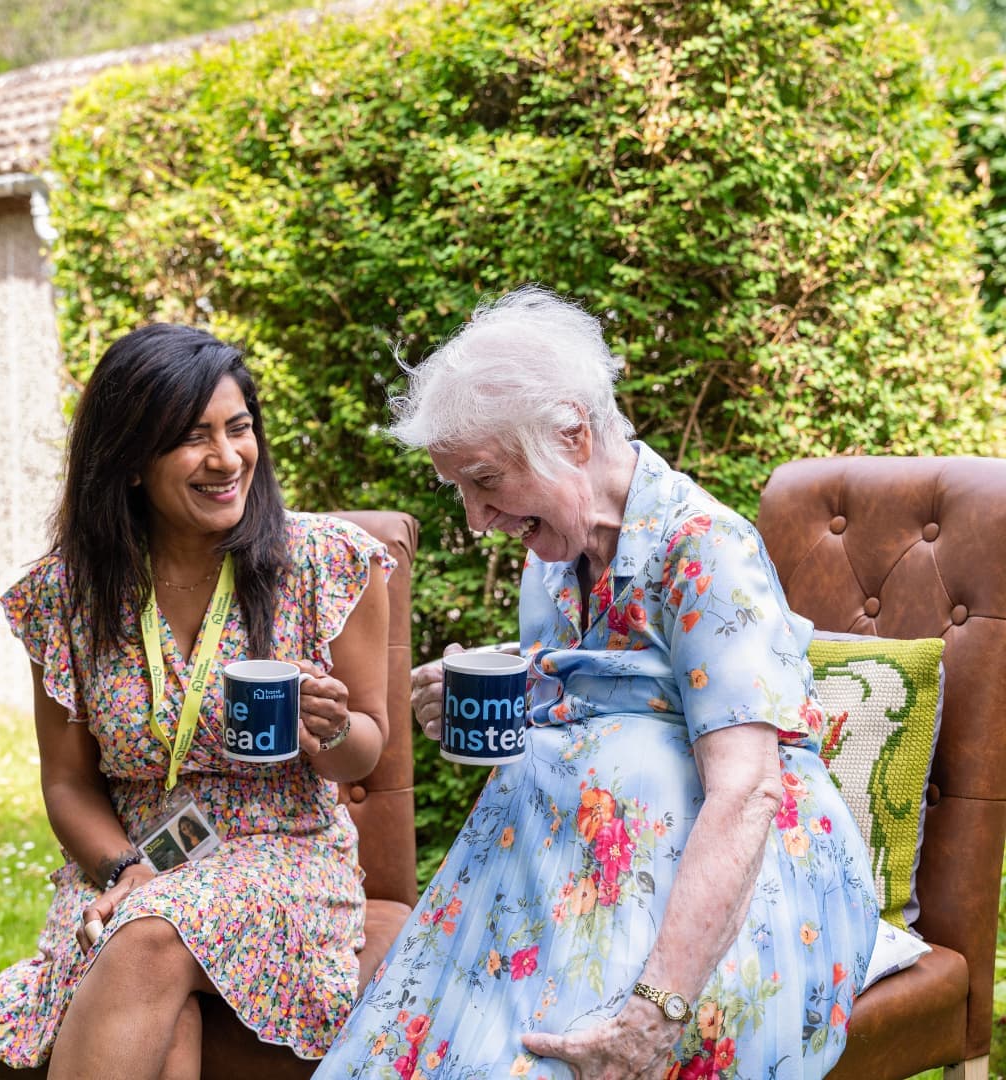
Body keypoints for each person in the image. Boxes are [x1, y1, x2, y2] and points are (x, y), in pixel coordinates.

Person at [316, 287, 878, 1080]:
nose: (478, 520)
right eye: (461, 493)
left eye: (485, 482)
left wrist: (656, 1010)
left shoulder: (705, 550)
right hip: (572, 877)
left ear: (573, 434)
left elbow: (748, 790)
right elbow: (597, 699)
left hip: (734, 889)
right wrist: (502, 692)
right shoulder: (555, 559)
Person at [0, 323, 393, 1079]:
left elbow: (368, 750)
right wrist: (124, 869)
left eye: (239, 429)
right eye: (194, 438)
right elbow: (67, 782)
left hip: (281, 855)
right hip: (132, 861)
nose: (228, 458)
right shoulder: (67, 595)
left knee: (150, 935)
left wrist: (325, 731)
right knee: (165, 1008)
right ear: (132, 460)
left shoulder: (322, 564)